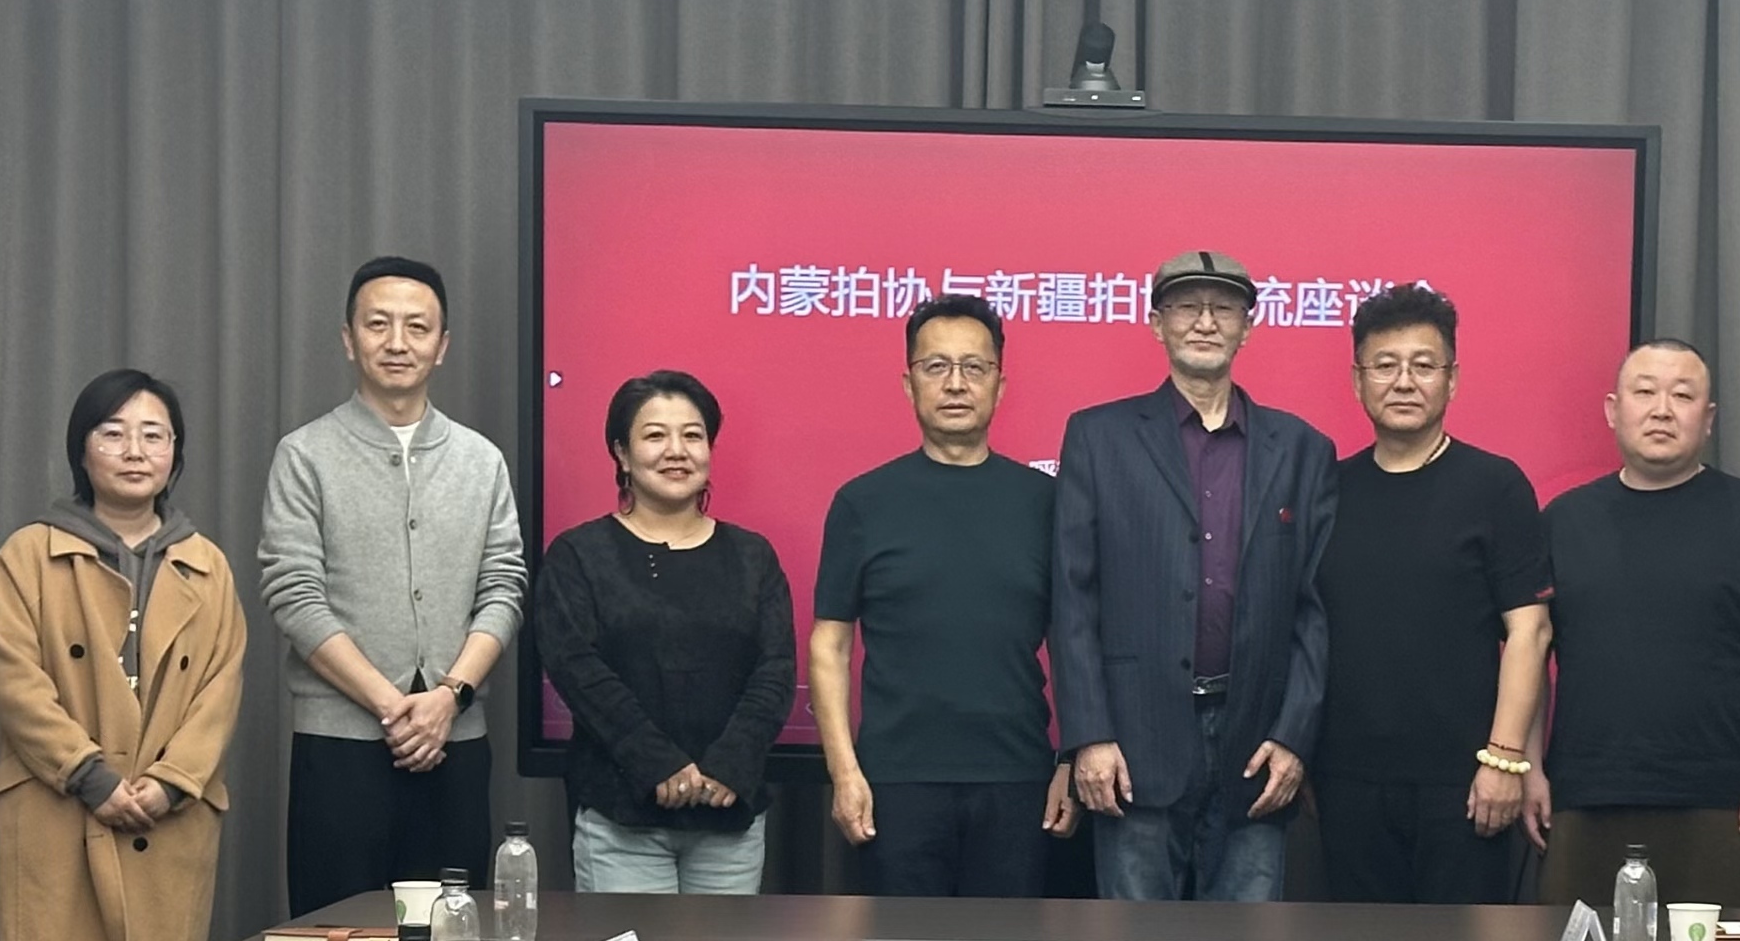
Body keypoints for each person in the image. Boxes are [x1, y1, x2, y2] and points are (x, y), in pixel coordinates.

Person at [1052, 249, 1338, 902]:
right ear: (1157, 323)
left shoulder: (1301, 449)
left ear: (1248, 327)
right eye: (1186, 306)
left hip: (1255, 745)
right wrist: (1089, 735)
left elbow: (1314, 609)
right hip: (1132, 744)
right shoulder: (1098, 437)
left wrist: (1294, 736)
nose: (1205, 322)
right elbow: (1073, 597)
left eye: (1224, 309)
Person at [0, 369, 246, 941]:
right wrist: (88, 774)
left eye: (154, 435)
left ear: (175, 452)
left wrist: (173, 781)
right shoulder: (29, 553)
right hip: (58, 811)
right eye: (113, 433)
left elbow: (220, 687)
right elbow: (9, 673)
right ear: (82, 449)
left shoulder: (207, 565)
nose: (134, 451)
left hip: (166, 819)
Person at [260, 256, 527, 915]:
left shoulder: (480, 459)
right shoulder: (305, 453)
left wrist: (448, 698)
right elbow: (294, 593)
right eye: (378, 324)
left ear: (443, 345)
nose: (398, 342)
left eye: (417, 326)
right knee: (335, 935)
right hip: (339, 742)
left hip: (454, 738)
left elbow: (504, 585)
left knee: (452, 935)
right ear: (349, 339)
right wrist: (392, 705)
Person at [809, 294, 1079, 896]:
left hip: (1018, 778)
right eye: (936, 367)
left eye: (973, 367)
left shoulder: (1045, 503)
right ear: (909, 384)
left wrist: (1069, 757)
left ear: (1000, 386)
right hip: (895, 782)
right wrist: (844, 772)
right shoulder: (862, 503)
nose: (955, 384)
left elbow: (1073, 642)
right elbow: (830, 645)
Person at [1529, 340, 1740, 911]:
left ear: (1708, 418)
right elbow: (1532, 650)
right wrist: (1529, 768)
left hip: (1722, 801)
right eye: (1645, 392)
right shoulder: (1562, 521)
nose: (1661, 410)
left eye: (1682, 396)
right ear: (1613, 410)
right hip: (1583, 796)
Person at [1311, 285, 1551, 904]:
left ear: (1452, 380)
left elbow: (1530, 631)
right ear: (1357, 380)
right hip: (1345, 781)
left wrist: (1503, 760)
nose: (1404, 382)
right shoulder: (1328, 490)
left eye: (1424, 365)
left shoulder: (1495, 486)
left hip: (1466, 783)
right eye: (1384, 365)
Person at [531, 370, 798, 893]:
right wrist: (658, 764)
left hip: (728, 815)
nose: (676, 451)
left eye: (692, 435)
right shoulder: (579, 555)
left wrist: (729, 765)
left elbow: (776, 670)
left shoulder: (753, 556)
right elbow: (578, 671)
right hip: (621, 817)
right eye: (655, 435)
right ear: (622, 454)